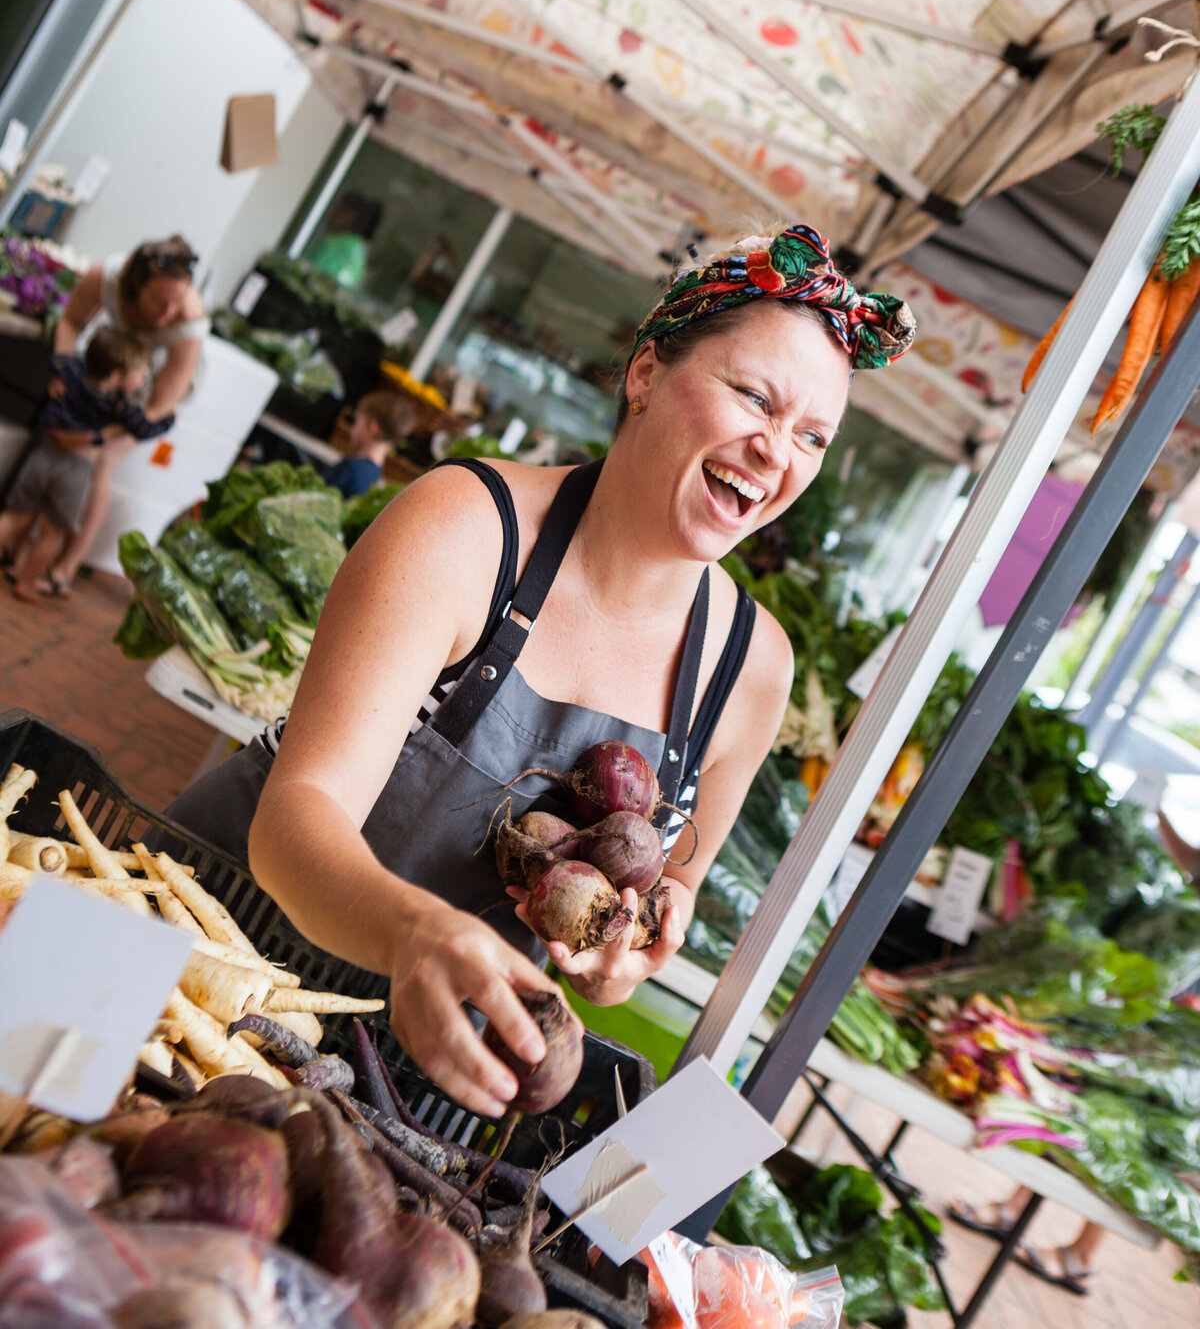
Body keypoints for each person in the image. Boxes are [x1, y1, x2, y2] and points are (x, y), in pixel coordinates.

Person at [165, 224, 915, 1116]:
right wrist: (415, 933)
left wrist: (625, 949)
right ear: (644, 375)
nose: (776, 450)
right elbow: (295, 817)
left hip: (411, 1079)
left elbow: (666, 889)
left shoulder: (749, 670)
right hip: (196, 968)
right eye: (754, 397)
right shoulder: (469, 530)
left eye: (813, 437)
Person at [948, 808, 1200, 1295]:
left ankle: (1082, 1254)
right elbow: (1195, 862)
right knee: (1088, 1101)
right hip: (1167, 982)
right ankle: (1016, 1204)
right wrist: (1161, 812)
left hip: (1186, 1013)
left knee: (1133, 1132)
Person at [50, 237, 208, 591]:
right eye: (160, 303)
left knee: (101, 458)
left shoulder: (189, 322)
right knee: (56, 432)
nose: (169, 314)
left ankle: (64, 568)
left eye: (177, 304)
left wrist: (94, 436)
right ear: (135, 286)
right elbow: (71, 321)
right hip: (115, 369)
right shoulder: (104, 277)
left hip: (156, 393)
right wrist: (64, 371)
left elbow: (156, 409)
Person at [0, 328, 174, 603]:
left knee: (14, 516)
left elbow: (58, 360)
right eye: (141, 373)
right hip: (74, 469)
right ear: (116, 376)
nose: (143, 380)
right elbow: (144, 428)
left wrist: (56, 377)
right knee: (53, 532)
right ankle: (26, 583)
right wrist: (168, 417)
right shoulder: (118, 406)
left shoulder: (70, 375)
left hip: (43, 453)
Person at [323, 390, 417, 499]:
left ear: (372, 428)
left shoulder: (351, 467)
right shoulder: (375, 473)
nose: (353, 427)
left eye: (357, 421)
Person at [308, 193, 382, 291]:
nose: (331, 213)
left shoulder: (335, 244)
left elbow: (308, 277)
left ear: (349, 216)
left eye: (338, 210)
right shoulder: (360, 250)